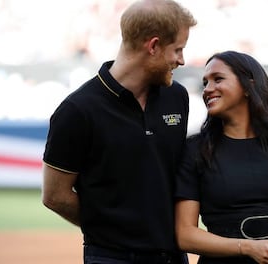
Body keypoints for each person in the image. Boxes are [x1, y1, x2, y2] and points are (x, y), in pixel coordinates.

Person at [41, 1, 197, 264]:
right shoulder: (77, 110)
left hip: (173, 257)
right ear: (154, 46)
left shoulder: (177, 96)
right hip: (110, 258)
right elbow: (55, 196)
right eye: (178, 49)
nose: (181, 60)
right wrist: (113, 230)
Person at [175, 51, 268, 264]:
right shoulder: (194, 150)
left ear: (248, 86)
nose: (207, 89)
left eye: (218, 79)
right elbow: (185, 234)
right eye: (205, 82)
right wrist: (246, 247)